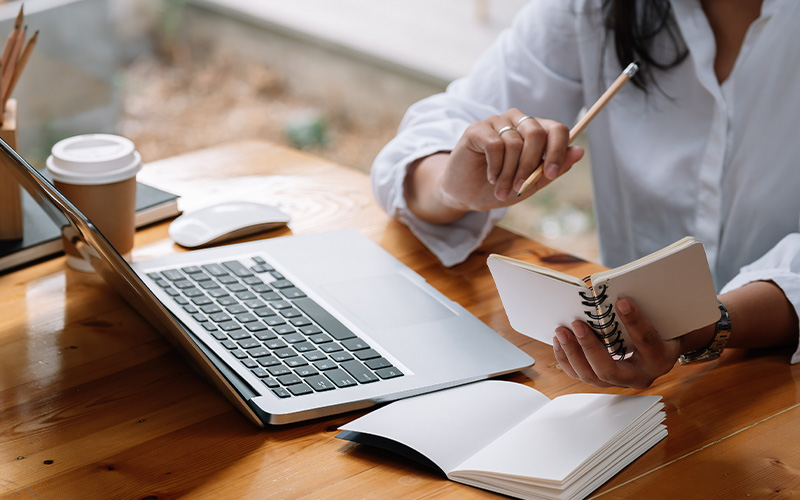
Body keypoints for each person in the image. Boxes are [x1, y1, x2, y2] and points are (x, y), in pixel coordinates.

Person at [370, 0, 800, 389]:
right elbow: (429, 138)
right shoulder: (592, 9)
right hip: (632, 372)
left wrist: (701, 326)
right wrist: (453, 184)